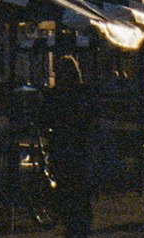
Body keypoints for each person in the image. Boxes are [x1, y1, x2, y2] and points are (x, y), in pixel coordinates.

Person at [40, 56, 97, 238]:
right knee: (80, 189)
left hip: (61, 148)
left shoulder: (54, 95)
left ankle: (70, 222)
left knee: (65, 186)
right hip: (81, 148)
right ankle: (80, 225)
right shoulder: (84, 92)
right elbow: (92, 118)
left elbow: (45, 119)